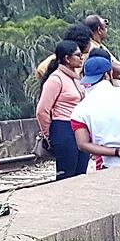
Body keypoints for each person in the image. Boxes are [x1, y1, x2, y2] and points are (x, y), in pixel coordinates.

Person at [37, 38, 89, 179]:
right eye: (78, 55)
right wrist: (50, 136)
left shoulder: (75, 79)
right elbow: (42, 111)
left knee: (81, 172)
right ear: (67, 58)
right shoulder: (56, 79)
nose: (81, 57)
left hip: (79, 128)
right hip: (63, 127)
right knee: (67, 174)